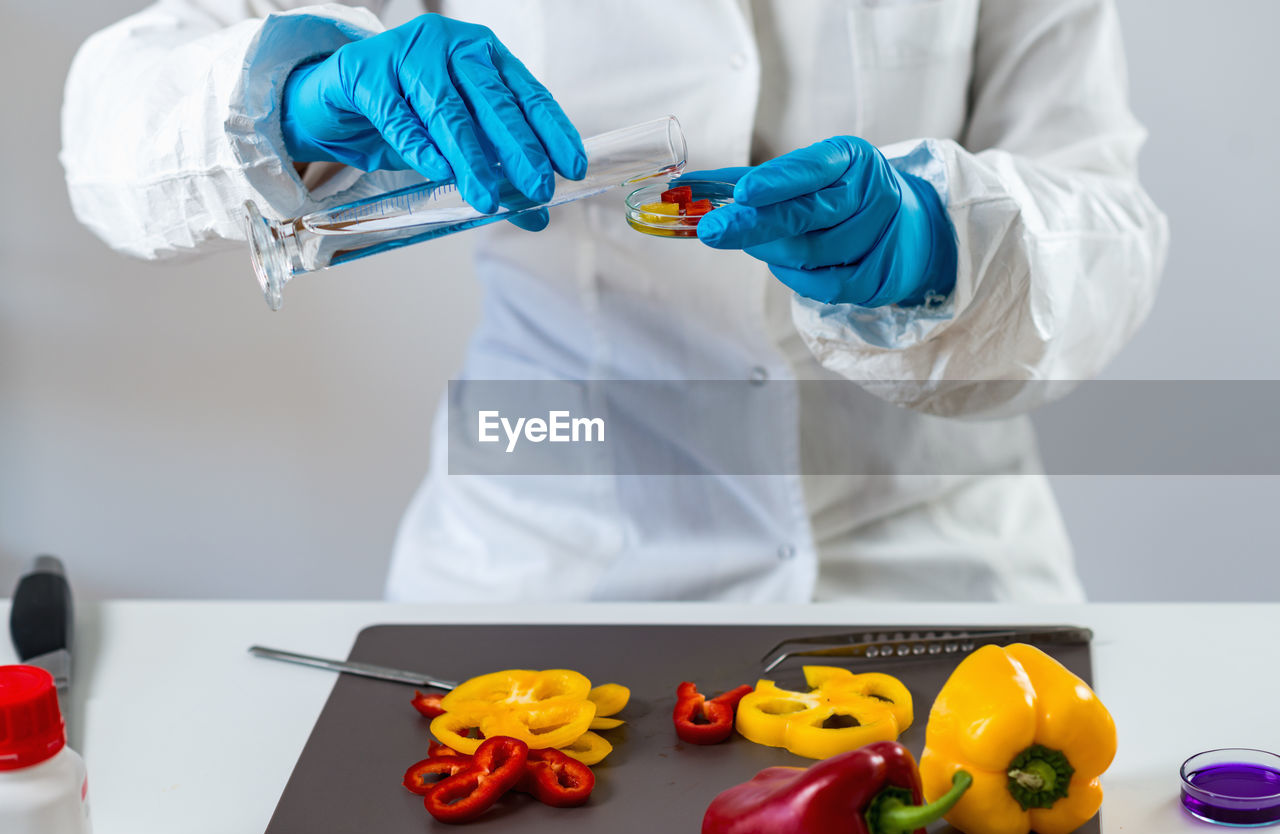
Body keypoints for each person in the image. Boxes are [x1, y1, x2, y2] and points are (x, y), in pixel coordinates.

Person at [61, 1, 1168, 603]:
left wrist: (936, 241)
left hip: (933, 566)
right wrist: (295, 93)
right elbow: (117, 126)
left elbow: (1102, 220)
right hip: (552, 566)